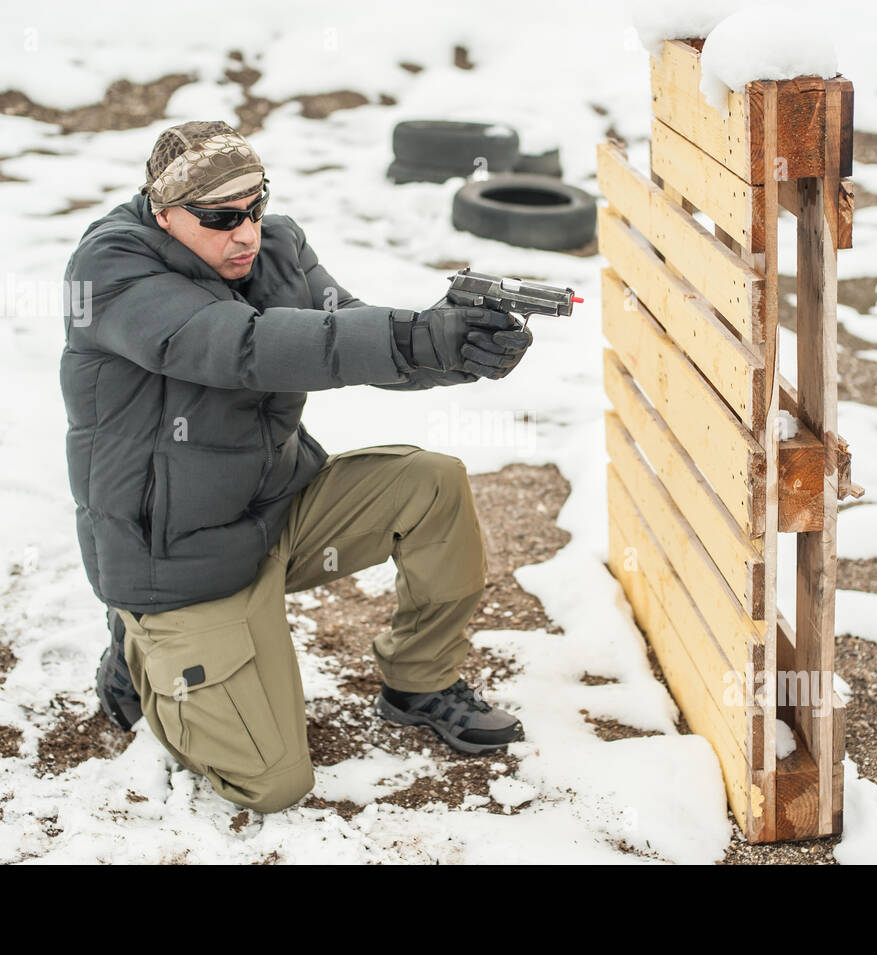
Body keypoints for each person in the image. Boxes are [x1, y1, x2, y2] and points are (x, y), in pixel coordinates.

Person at [59, 120, 533, 814]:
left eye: (254, 205)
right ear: (163, 214)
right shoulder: (111, 272)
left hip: (280, 506)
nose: (246, 231)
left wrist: (455, 350)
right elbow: (244, 345)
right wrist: (408, 335)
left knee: (430, 484)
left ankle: (419, 682)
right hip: (179, 564)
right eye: (220, 217)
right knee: (272, 782)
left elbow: (349, 329)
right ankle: (139, 648)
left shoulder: (277, 247)